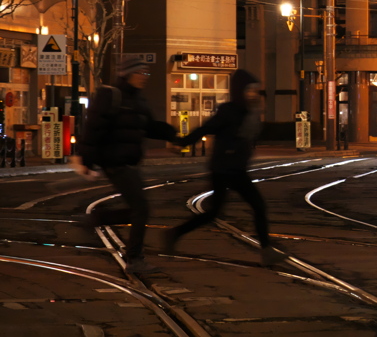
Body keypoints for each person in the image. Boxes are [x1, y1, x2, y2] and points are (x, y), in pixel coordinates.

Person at [163, 69, 286, 267]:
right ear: (239, 91)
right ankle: (266, 251)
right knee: (258, 206)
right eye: (249, 90)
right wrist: (183, 142)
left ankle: (174, 233)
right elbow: (206, 128)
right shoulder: (229, 111)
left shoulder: (251, 112)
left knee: (214, 212)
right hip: (225, 168)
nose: (253, 94)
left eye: (255, 90)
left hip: (235, 168)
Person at [76, 56, 179, 274]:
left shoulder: (138, 100)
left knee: (138, 209)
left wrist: (172, 134)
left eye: (146, 74)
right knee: (141, 209)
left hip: (130, 162)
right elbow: (93, 128)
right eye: (141, 73)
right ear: (128, 74)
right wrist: (86, 159)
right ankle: (134, 259)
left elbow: (148, 126)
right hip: (114, 161)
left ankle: (97, 219)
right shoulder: (111, 95)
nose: (145, 78)